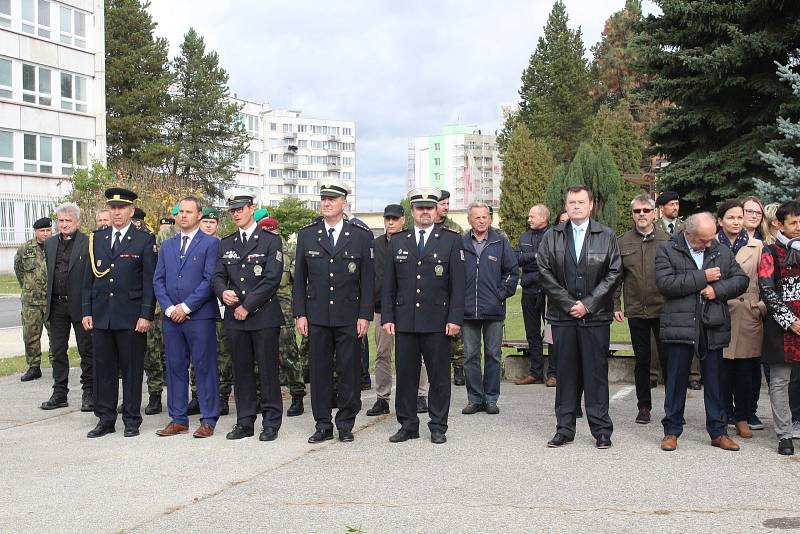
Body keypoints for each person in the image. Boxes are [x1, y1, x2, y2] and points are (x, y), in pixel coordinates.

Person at [656, 212, 748, 452]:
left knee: (716, 382)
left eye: (710, 239)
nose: (709, 244)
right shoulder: (667, 250)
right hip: (680, 325)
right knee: (676, 381)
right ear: (688, 234)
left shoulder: (720, 250)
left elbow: (741, 280)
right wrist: (702, 278)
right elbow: (666, 284)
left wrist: (717, 290)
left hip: (712, 324)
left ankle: (718, 432)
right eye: (703, 240)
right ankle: (671, 431)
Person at [538, 185, 621, 449]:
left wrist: (588, 304)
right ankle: (564, 428)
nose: (576, 206)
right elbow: (544, 271)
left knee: (596, 374)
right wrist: (567, 303)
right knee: (565, 374)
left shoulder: (606, 235)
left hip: (595, 318)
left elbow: (614, 272)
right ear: (566, 205)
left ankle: (601, 430)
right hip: (562, 318)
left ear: (591, 205)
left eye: (581, 202)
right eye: (571, 202)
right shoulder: (552, 236)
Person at [382, 187, 465, 444]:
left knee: (439, 376)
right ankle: (408, 424)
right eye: (420, 208)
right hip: (405, 320)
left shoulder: (451, 240)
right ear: (413, 211)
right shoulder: (398, 241)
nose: (425, 212)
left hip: (438, 321)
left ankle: (438, 425)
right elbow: (388, 284)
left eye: (430, 207)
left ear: (436, 210)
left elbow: (458, 285)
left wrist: (454, 318)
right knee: (406, 375)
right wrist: (388, 317)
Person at [294, 182, 374, 444]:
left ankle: (345, 423)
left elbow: (367, 281)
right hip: (317, 315)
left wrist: (364, 315)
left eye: (332, 199)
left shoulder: (360, 236)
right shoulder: (308, 235)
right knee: (318, 371)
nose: (327, 203)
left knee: (349, 370)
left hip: (348, 315)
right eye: (324, 199)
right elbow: (299, 280)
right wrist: (300, 314)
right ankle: (322, 423)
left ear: (344, 204)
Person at [82, 188, 156, 438]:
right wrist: (86, 311)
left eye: (121, 208)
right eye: (112, 208)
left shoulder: (143, 239)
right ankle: (105, 418)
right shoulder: (97, 238)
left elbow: (149, 281)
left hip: (131, 316)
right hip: (102, 315)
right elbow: (88, 280)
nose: (116, 212)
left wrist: (146, 314)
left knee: (132, 370)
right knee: (104, 369)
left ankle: (132, 419)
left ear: (131, 211)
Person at [212, 193, 284, 442]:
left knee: (267, 371)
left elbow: (271, 278)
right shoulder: (226, 243)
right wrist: (223, 292)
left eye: (240, 209)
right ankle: (245, 421)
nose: (236, 213)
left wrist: (248, 305)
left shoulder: (269, 241)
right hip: (235, 318)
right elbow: (217, 275)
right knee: (241, 371)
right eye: (232, 210)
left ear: (252, 209)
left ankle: (271, 422)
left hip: (262, 316)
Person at [153, 197, 220, 438]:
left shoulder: (210, 244)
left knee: (204, 367)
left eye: (188, 212)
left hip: (199, 316)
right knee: (175, 367)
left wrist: (186, 307)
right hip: (172, 318)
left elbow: (209, 280)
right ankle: (178, 418)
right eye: (180, 212)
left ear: (199, 215)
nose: (183, 216)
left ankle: (209, 419)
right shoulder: (168, 245)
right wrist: (170, 309)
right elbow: (158, 279)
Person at [367, 204, 430, 417]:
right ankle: (382, 398)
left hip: (408, 307)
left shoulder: (412, 240)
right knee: (383, 354)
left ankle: (421, 395)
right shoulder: (375, 244)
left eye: (395, 219)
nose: (391, 222)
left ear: (403, 220)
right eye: (387, 219)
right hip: (381, 309)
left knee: (415, 354)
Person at [613, 194, 670, 424]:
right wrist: (616, 305)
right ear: (632, 214)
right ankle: (644, 406)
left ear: (654, 213)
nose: (642, 215)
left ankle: (672, 408)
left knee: (668, 360)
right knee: (642, 360)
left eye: (646, 210)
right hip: (636, 309)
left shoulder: (668, 240)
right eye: (638, 211)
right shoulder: (623, 241)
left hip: (664, 309)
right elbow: (616, 277)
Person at [461, 202, 518, 415]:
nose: (481, 220)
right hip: (467, 311)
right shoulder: (461, 243)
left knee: (493, 354)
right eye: (477, 217)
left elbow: (512, 272)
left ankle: (491, 398)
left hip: (493, 310)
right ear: (469, 220)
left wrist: (499, 295)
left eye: (485, 217)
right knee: (470, 356)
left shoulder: (500, 242)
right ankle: (474, 399)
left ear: (490, 219)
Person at [715, 200, 765, 440]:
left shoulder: (758, 246)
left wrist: (761, 307)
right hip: (719, 311)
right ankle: (723, 415)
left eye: (739, 217)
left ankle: (743, 417)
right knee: (721, 370)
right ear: (720, 221)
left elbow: (767, 281)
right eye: (731, 218)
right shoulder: (712, 244)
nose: (736, 222)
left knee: (745, 371)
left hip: (748, 311)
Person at [41, 204, 93, 411]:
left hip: (80, 305)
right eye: (61, 221)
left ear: (78, 222)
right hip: (56, 304)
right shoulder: (50, 243)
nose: (64, 225)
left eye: (68, 221)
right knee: (57, 350)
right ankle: (59, 392)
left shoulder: (88, 242)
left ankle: (89, 391)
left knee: (86, 350)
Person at [760, 200, 800, 455]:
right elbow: (767, 289)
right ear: (779, 224)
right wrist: (790, 321)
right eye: (794, 223)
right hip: (782, 327)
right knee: (779, 381)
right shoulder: (770, 252)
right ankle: (784, 434)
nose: (798, 227)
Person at [259, 215, 306, 416]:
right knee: (260, 356)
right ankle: (264, 396)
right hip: (260, 310)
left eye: (271, 233)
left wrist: (299, 313)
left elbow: (299, 285)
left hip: (284, 311)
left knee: (288, 355)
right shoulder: (256, 252)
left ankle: (297, 396)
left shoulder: (290, 254)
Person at [656, 190, 702, 391]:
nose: (675, 207)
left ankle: (693, 374)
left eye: (677, 203)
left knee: (689, 335)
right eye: (671, 204)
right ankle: (657, 373)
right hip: (662, 287)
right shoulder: (655, 229)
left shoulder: (687, 228)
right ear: (662, 208)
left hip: (687, 288)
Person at [190, 207, 234, 416]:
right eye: (205, 222)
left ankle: (222, 396)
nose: (208, 225)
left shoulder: (223, 246)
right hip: (198, 307)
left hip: (220, 307)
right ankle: (197, 396)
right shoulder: (192, 245)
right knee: (196, 354)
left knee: (223, 354)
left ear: (217, 226)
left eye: (212, 223)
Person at [514, 204, 552, 386]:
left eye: (532, 216)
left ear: (543, 218)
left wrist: (532, 260)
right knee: (532, 333)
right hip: (528, 290)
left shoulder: (554, 236)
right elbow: (516, 259)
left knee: (552, 334)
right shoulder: (525, 237)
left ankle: (553, 373)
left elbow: (552, 262)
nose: (528, 219)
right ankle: (535, 373)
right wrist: (537, 256)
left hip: (548, 292)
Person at [14, 217, 52, 382]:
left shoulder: (56, 246)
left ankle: (57, 366)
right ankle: (34, 367)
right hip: (31, 302)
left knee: (56, 336)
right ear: (35, 232)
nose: (45, 234)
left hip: (52, 300)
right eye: (42, 231)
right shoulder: (25, 249)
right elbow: (19, 270)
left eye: (48, 230)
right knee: (30, 336)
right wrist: (28, 287)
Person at [434, 189, 466, 386]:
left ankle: (459, 367)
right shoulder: (425, 225)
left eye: (447, 203)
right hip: (432, 288)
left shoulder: (455, 229)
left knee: (456, 334)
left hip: (450, 285)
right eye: (442, 203)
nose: (446, 207)